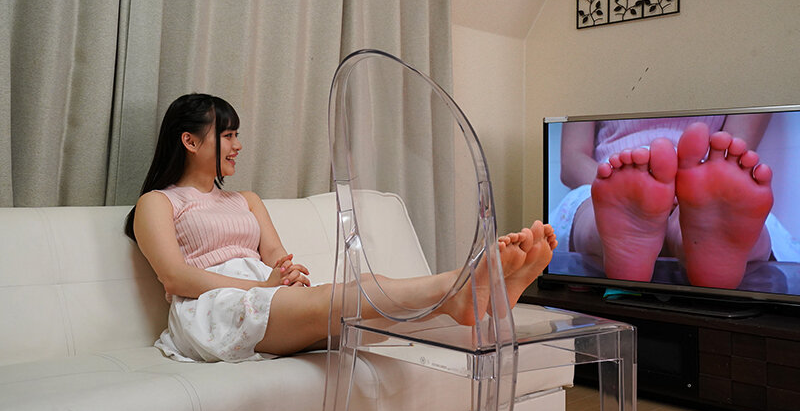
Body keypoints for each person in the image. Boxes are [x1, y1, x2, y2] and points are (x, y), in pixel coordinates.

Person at [125, 93, 556, 362]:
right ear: (190, 141)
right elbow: (175, 277)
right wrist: (263, 287)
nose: (237, 146)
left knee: (365, 300)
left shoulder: (246, 200)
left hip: (267, 295)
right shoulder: (157, 203)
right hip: (213, 310)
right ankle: (459, 288)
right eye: (227, 136)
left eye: (237, 135)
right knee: (350, 299)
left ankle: (488, 299)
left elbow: (276, 257)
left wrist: (283, 275)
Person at [555, 114, 774, 289]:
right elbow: (572, 163)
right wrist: (608, 182)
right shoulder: (587, 78)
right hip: (616, 179)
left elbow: (734, 151)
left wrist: (679, 190)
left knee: (596, 215)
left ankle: (614, 242)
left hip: (702, 185)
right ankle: (694, 246)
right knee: (601, 206)